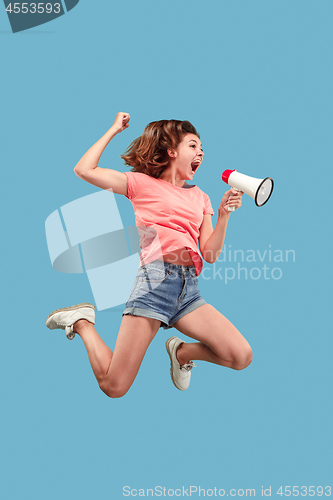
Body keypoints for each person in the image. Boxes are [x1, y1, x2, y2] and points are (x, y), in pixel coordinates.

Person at [46, 112, 252, 398]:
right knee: (114, 386)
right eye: (193, 145)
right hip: (154, 283)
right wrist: (114, 129)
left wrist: (224, 215)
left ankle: (181, 353)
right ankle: (82, 322)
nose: (201, 153)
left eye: (202, 148)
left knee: (240, 355)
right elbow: (84, 169)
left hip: (188, 290)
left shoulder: (201, 197)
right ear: (171, 151)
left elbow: (210, 253)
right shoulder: (141, 184)